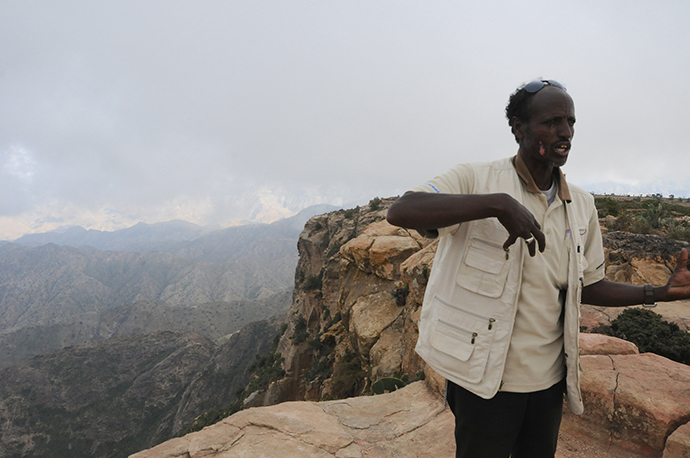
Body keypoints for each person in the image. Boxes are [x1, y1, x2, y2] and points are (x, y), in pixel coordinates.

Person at [386, 79, 690, 458]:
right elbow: (402, 210)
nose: (565, 133)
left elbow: (589, 285)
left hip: (548, 383)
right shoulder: (476, 178)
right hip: (485, 381)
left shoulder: (580, 204)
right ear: (518, 127)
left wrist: (659, 293)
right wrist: (497, 205)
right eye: (551, 122)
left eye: (571, 122)